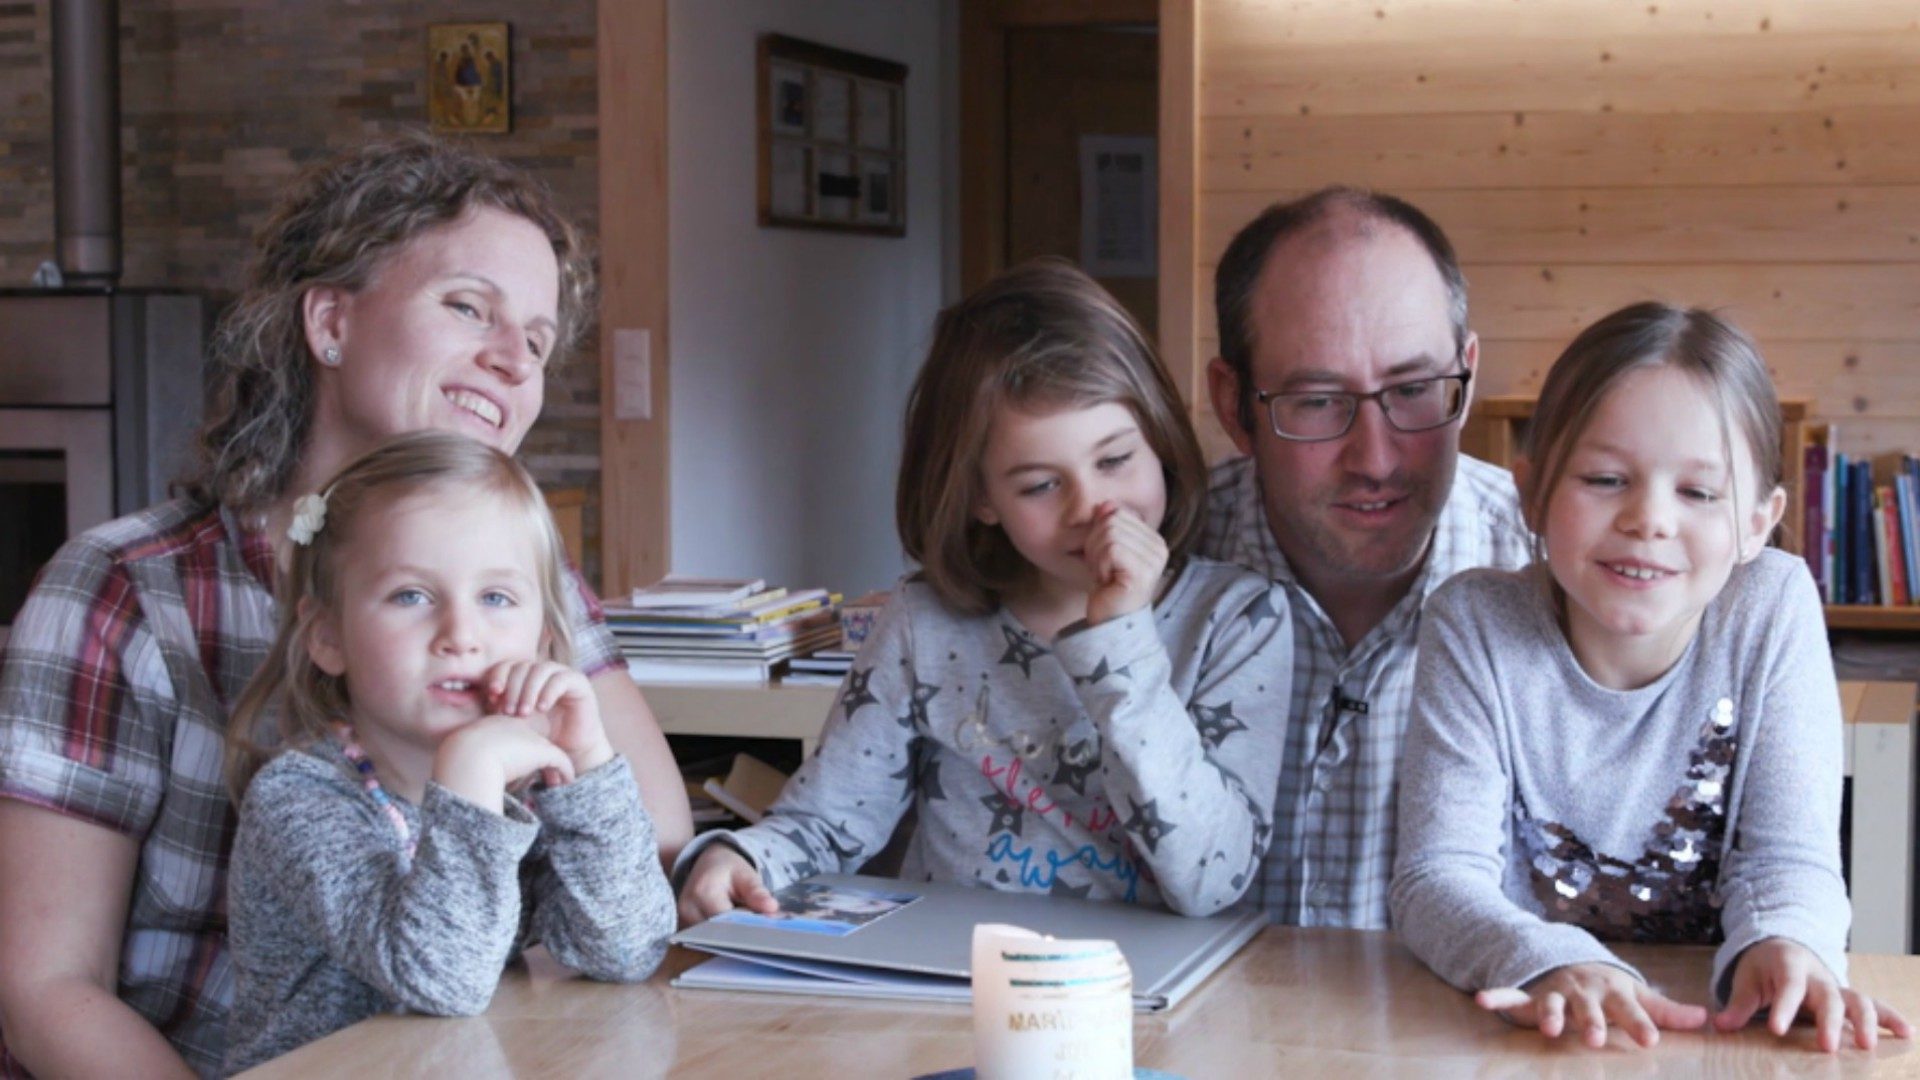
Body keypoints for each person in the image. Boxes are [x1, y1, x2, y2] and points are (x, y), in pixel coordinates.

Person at [0, 134, 689, 1078]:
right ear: (329, 323)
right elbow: (43, 989)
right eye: (467, 308)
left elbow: (654, 836)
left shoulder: (526, 584)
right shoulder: (123, 588)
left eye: (534, 340)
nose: (512, 362)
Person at [677, 259, 1292, 923]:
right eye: (1039, 485)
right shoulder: (925, 623)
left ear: (1161, 442)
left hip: (1154, 1000)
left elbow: (1210, 880)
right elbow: (827, 821)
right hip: (957, 986)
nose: (1093, 507)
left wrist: (1120, 641)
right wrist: (739, 858)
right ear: (980, 498)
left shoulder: (1239, 619)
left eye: (1115, 460)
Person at [1390, 303, 1913, 1053]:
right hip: (1526, 1030)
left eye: (1698, 493)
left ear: (1759, 523)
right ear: (1532, 494)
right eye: (1606, 478)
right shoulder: (1474, 622)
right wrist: (1553, 963)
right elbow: (1436, 878)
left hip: (1718, 1036)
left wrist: (1787, 945)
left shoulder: (1772, 605)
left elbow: (1789, 857)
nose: (1649, 518)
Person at [220, 433, 672, 1073]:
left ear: (541, 638)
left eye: (495, 598)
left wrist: (589, 764)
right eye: (411, 596)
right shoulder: (298, 799)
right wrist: (470, 774)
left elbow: (626, 949)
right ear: (327, 636)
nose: (461, 636)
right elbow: (440, 981)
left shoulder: (522, 791)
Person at [1200, 187, 1532, 928]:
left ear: (1468, 373)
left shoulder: (1555, 573)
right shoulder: (1156, 567)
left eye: (1414, 390)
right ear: (1233, 407)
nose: (1375, 459)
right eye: (1317, 402)